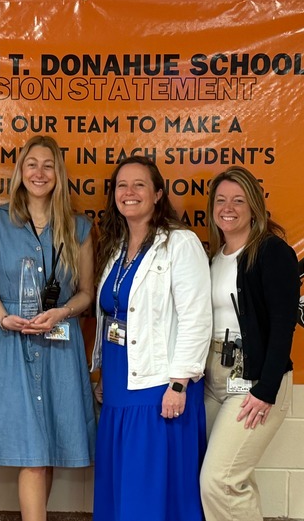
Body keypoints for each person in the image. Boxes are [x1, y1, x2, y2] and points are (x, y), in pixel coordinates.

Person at [0, 135, 96, 521]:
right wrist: (2, 315)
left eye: (48, 165)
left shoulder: (79, 228)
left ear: (59, 174)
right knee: (34, 451)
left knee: (47, 446)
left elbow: (87, 292)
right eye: (32, 164)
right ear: (20, 171)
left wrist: (62, 312)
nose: (39, 172)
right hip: (10, 340)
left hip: (59, 339)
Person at [91, 155, 212, 521]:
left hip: (160, 388)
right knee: (121, 491)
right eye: (121, 186)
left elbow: (196, 317)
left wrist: (179, 384)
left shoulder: (179, 243)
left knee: (152, 496)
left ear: (158, 194)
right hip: (118, 383)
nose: (129, 193)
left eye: (139, 185)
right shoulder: (115, 248)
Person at [199, 166, 299, 521]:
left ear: (254, 207)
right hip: (212, 379)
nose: (229, 207)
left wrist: (266, 389)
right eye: (222, 200)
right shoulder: (213, 257)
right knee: (231, 477)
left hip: (253, 378)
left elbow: (284, 323)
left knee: (220, 480)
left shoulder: (271, 252)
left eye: (239, 200)